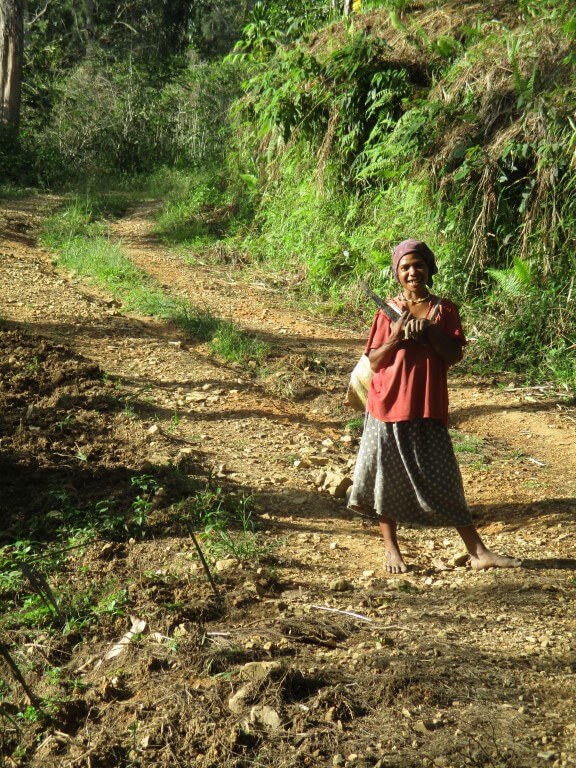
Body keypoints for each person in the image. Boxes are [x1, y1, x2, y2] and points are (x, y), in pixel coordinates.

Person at [348, 238, 521, 573]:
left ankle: (478, 552)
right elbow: (375, 361)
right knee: (386, 479)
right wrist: (396, 335)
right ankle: (392, 550)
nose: (412, 272)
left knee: (446, 482)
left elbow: (453, 355)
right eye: (405, 267)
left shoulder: (445, 310)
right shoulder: (387, 311)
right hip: (386, 406)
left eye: (419, 265)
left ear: (429, 268)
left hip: (427, 407)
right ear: (397, 273)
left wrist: (428, 330)